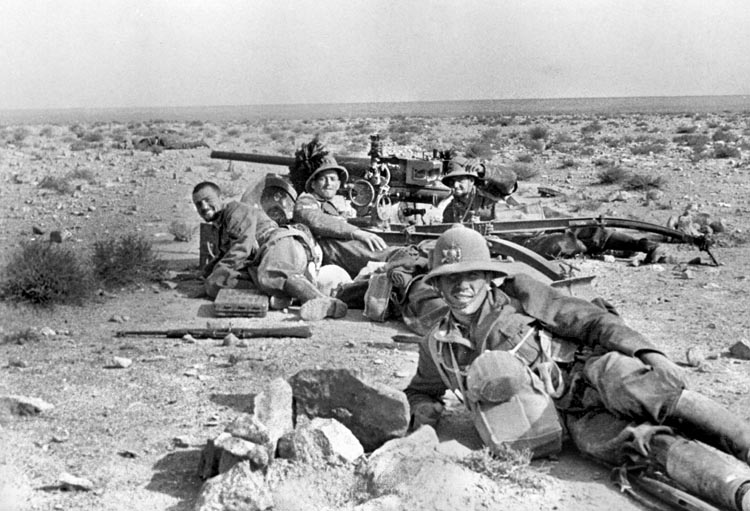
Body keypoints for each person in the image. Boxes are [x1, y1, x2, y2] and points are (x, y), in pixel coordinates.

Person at [403, 225, 750, 508]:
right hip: (566, 417)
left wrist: (648, 353)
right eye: (450, 277)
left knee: (636, 385)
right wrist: (422, 414)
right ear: (436, 283)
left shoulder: (517, 294)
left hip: (592, 372)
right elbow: (420, 390)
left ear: (487, 276)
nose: (462, 286)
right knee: (631, 443)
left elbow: (588, 320)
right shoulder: (438, 344)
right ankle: (737, 491)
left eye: (471, 275)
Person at [436, 157, 666, 263]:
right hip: (519, 244)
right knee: (559, 245)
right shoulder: (452, 211)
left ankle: (643, 246)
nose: (456, 186)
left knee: (588, 229)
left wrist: (487, 170)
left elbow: (509, 180)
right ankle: (609, 251)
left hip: (535, 219)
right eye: (452, 183)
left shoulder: (488, 190)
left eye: (460, 180)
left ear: (470, 180)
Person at [192, 181, 347, 321]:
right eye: (199, 204)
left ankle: (319, 300)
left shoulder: (235, 211)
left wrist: (215, 273)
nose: (204, 206)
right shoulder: (221, 226)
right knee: (216, 283)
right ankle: (278, 296)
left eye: (208, 200)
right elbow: (224, 256)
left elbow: (241, 249)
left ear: (221, 197)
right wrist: (206, 277)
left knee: (270, 272)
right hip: (263, 258)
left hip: (280, 242)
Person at [292, 154, 396, 277]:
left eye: (332, 179)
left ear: (338, 184)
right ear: (313, 184)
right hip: (327, 252)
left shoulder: (328, 206)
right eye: (323, 179)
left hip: (338, 255)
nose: (328, 184)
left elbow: (341, 222)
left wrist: (370, 221)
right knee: (388, 257)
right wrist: (357, 232)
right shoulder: (306, 200)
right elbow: (317, 220)